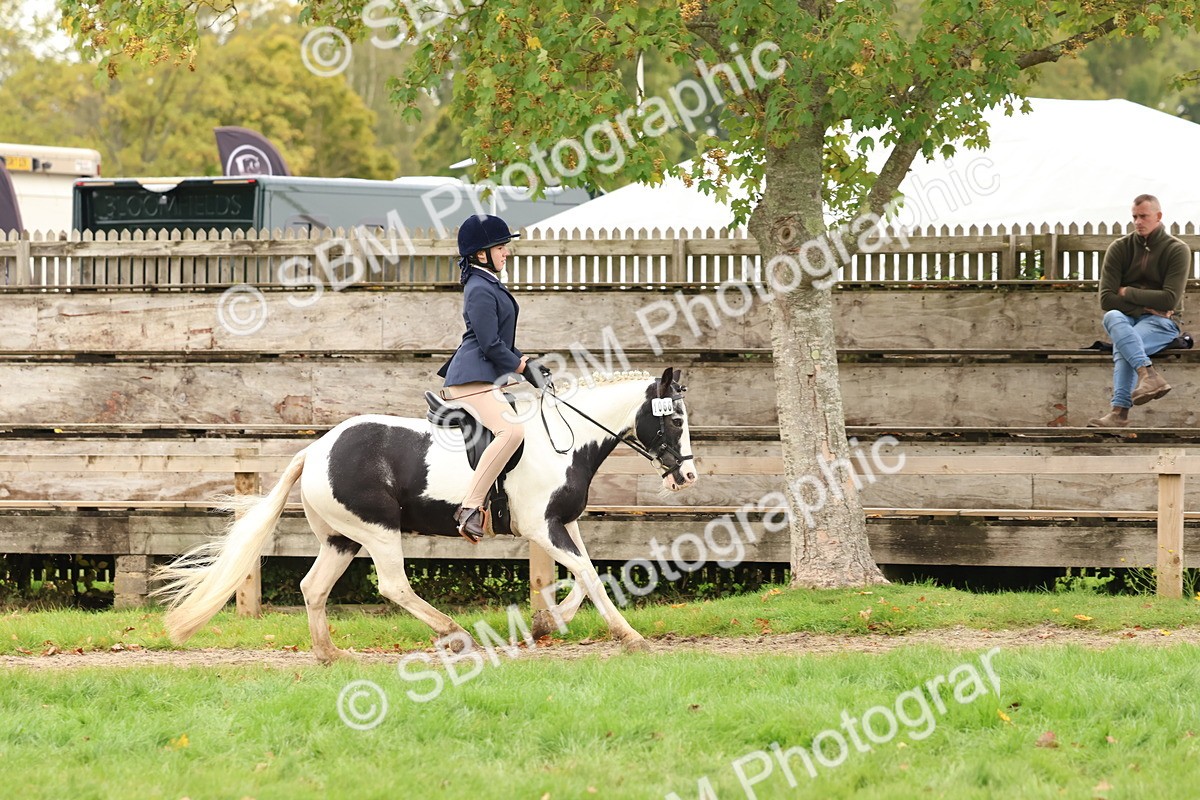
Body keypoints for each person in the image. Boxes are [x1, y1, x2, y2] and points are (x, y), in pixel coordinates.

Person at [438, 214, 550, 541]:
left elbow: (502, 342)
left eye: (505, 247)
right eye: (501, 247)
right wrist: (521, 367)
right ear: (481, 254)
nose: (506, 253)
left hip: (486, 376)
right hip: (471, 378)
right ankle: (470, 508)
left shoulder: (489, 283)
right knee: (511, 430)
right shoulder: (479, 289)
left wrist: (527, 362)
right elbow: (489, 344)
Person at [1087, 195, 1191, 428]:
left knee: (1127, 346)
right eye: (1134, 216)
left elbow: (1169, 299)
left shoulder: (1177, 250)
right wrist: (1145, 305)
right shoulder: (1119, 248)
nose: (1138, 221)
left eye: (1143, 216)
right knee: (1112, 316)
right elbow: (1106, 299)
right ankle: (1148, 375)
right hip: (1126, 319)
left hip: (1161, 322)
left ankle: (1119, 413)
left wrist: (1127, 292)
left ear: (1158, 216)